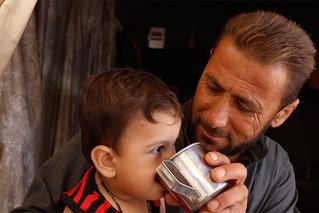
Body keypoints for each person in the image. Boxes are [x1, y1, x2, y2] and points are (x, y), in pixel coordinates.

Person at [12, 10, 316, 213]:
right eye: (212, 86)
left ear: (283, 114)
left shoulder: (275, 171)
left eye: (245, 106)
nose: (215, 118)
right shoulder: (128, 129)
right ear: (208, 62)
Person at [59, 68, 183, 212]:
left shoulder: (149, 191)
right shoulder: (84, 209)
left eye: (173, 145)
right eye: (157, 149)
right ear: (108, 161)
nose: (172, 159)